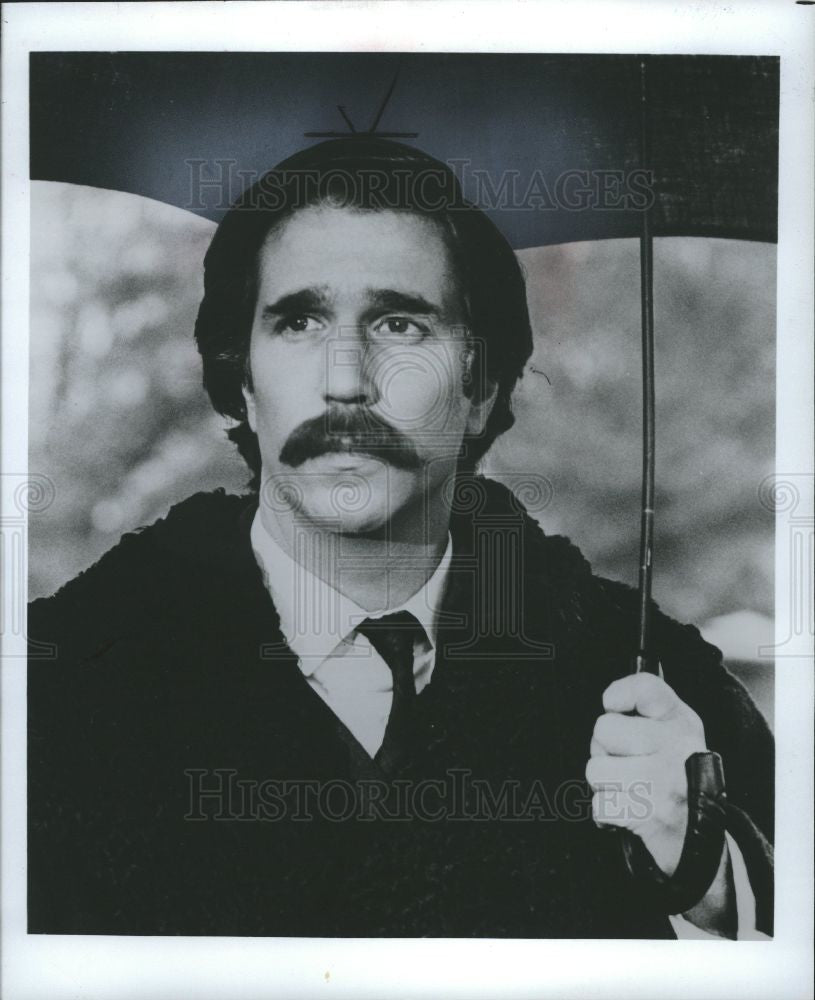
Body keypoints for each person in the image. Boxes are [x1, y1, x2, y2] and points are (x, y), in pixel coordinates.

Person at [27, 137, 773, 939]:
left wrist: (702, 872)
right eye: (299, 321)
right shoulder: (63, 686)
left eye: (400, 324)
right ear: (243, 384)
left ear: (480, 390)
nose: (346, 378)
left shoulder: (645, 682)